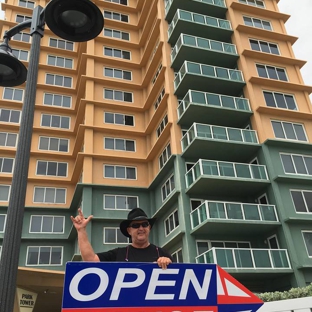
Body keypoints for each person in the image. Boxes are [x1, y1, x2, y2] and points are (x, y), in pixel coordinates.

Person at [71, 207, 172, 269]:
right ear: (129, 231)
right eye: (136, 226)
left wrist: (169, 264)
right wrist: (81, 230)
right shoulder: (118, 254)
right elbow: (90, 260)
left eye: (144, 224)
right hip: (127, 304)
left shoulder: (162, 253)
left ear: (149, 228)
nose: (141, 228)